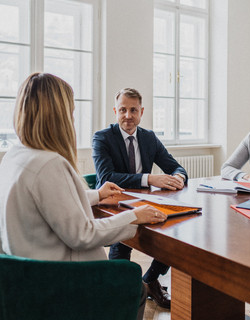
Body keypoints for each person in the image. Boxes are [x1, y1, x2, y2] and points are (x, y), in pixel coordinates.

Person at [0, 73, 167, 320]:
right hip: (62, 280)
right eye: (71, 111)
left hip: (25, 276)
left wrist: (97, 195)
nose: (73, 118)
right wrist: (134, 216)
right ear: (58, 115)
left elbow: (47, 202)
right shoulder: (50, 163)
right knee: (134, 284)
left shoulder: (15, 156)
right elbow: (83, 234)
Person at [92, 88, 188, 309]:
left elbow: (176, 167)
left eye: (133, 110)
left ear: (141, 112)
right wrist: (149, 179)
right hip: (113, 204)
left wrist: (178, 177)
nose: (128, 115)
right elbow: (107, 177)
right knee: (122, 246)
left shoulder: (148, 137)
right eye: (123, 110)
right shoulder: (102, 138)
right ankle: (118, 290)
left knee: (176, 235)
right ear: (115, 111)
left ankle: (150, 280)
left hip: (144, 203)